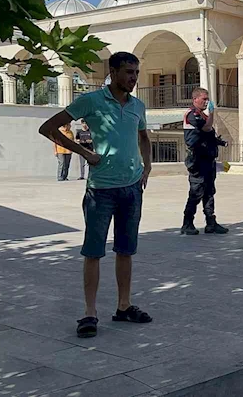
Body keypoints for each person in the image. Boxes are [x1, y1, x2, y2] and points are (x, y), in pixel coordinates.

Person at [38, 51, 153, 338]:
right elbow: (48, 127)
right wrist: (84, 152)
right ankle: (89, 313)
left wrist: (147, 167)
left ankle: (124, 306)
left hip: (131, 189)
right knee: (93, 252)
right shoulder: (91, 101)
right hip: (100, 191)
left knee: (126, 250)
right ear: (112, 72)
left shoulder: (138, 105)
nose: (133, 78)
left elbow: (143, 136)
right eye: (128, 72)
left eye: (136, 72)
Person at [180, 88, 228, 235]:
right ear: (195, 99)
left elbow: (208, 135)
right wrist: (212, 113)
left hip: (208, 160)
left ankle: (211, 223)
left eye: (207, 99)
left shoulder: (200, 114)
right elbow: (206, 128)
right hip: (198, 161)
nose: (206, 101)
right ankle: (187, 224)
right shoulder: (192, 114)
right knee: (196, 193)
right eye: (204, 99)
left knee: (209, 192)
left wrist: (219, 143)